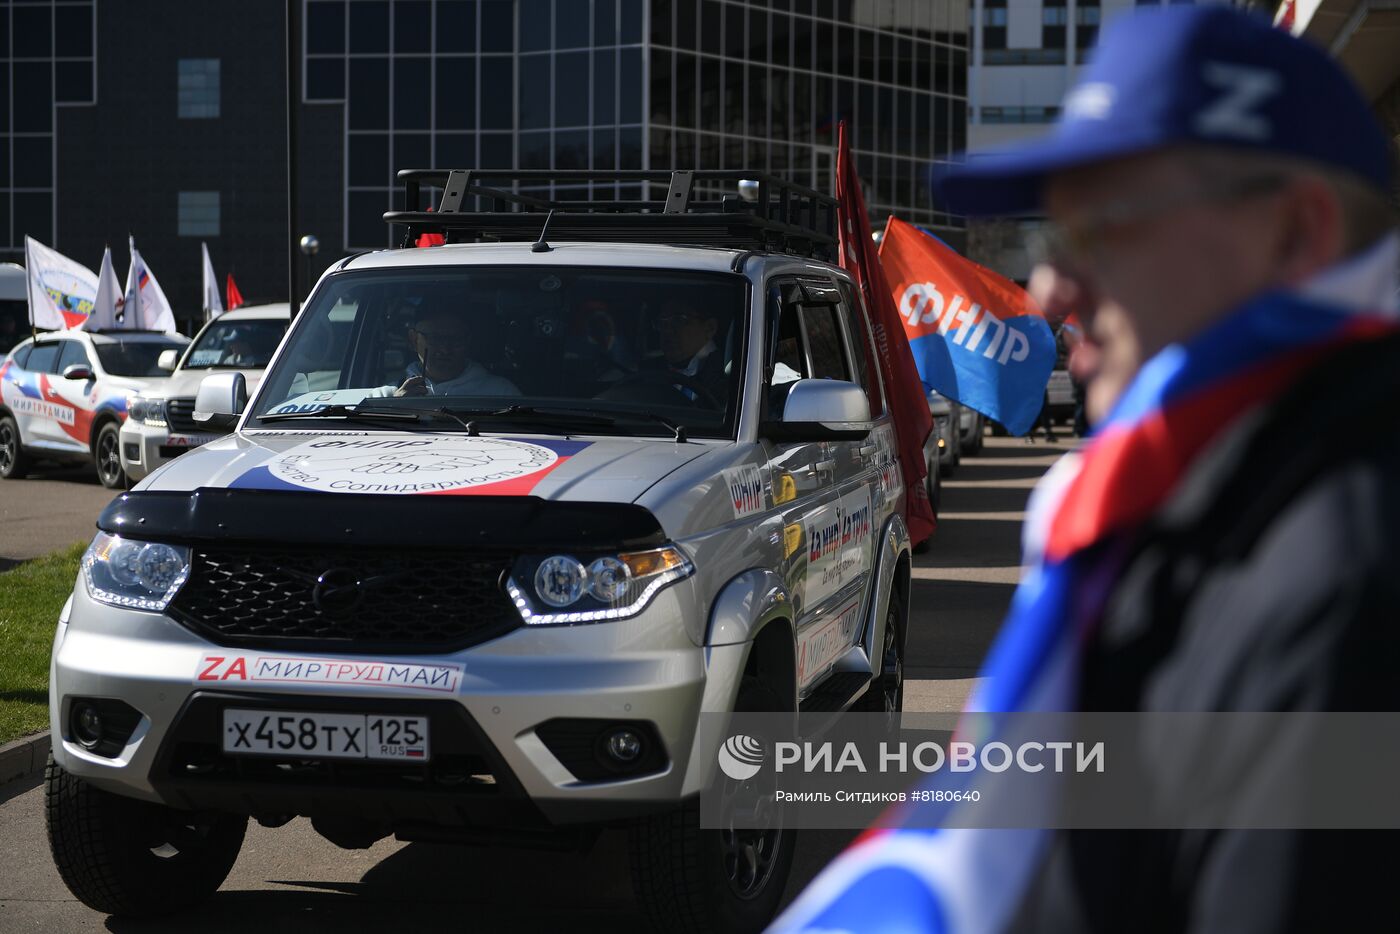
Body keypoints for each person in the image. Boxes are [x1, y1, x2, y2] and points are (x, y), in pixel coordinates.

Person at [774, 7, 1400, 932]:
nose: (1057, 292)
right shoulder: (1207, 506)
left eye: (1107, 228)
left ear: (1294, 235)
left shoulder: (1349, 573)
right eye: (1054, 240)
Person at [385, 307, 519, 398]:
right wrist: (393, 409)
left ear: (468, 341)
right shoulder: (381, 397)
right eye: (435, 338)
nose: (445, 349)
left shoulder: (501, 394)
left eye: (456, 339)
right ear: (413, 340)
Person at [648, 296, 727, 403]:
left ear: (710, 327)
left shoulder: (733, 375)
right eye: (662, 323)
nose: (667, 330)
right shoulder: (648, 372)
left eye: (678, 320)